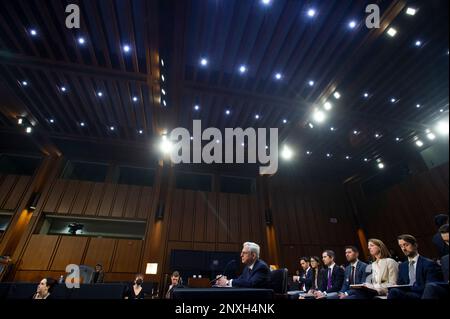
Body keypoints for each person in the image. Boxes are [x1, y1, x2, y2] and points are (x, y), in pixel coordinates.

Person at [388, 234, 442, 299]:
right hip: (407, 294)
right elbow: (400, 285)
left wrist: (411, 288)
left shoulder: (429, 264)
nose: (403, 249)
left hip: (422, 295)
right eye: (401, 246)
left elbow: (431, 287)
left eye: (406, 245)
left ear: (415, 245)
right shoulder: (402, 266)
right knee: (393, 291)